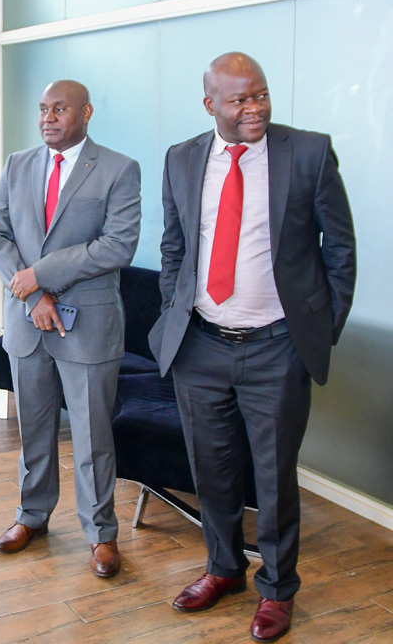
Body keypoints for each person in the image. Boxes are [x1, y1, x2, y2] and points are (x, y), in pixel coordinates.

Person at [149, 52, 356, 642]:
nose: (255, 108)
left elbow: (340, 249)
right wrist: (174, 311)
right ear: (209, 103)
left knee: (273, 475)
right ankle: (223, 569)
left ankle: (277, 589)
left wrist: (319, 328)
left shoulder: (309, 152)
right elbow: (174, 248)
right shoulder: (182, 159)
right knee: (211, 471)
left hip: (277, 347)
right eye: (239, 99)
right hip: (200, 345)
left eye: (260, 94)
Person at [0, 80, 142, 577]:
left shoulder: (118, 169)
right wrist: (33, 293)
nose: (48, 117)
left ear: (86, 111)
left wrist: (43, 274)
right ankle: (31, 517)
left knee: (93, 435)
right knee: (34, 430)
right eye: (43, 108)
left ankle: (100, 534)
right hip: (28, 323)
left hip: (88, 326)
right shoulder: (17, 164)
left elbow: (118, 246)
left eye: (60, 108)